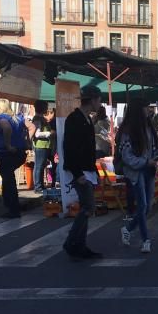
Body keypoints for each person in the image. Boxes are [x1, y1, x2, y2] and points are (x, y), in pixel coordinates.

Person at [62, 84, 103, 260]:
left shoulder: (86, 119)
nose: (100, 103)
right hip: (79, 171)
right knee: (88, 206)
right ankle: (72, 242)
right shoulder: (74, 119)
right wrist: (78, 173)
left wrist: (94, 171)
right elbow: (69, 148)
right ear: (93, 100)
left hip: (87, 169)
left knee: (88, 207)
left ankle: (79, 244)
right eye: (99, 99)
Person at [118, 99, 158, 253]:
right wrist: (145, 161)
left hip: (149, 170)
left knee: (148, 206)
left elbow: (156, 145)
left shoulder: (148, 126)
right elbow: (126, 155)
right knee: (142, 205)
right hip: (136, 171)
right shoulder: (128, 131)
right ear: (138, 110)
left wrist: (157, 156)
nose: (148, 110)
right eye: (145, 107)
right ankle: (146, 240)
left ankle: (128, 229)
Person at [0, 99, 28, 219]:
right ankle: (10, 204)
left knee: (8, 180)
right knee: (8, 179)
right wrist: (26, 142)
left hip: (5, 152)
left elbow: (6, 128)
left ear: (0, 108)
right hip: (19, 152)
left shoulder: (1, 117)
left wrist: (7, 145)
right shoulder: (16, 118)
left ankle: (13, 208)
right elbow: (31, 127)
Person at [31, 101, 56, 192]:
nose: (47, 109)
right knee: (39, 166)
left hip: (44, 145)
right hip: (41, 145)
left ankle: (40, 185)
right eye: (46, 107)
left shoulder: (41, 118)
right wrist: (50, 133)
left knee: (41, 166)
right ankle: (38, 187)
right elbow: (37, 134)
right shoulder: (38, 118)